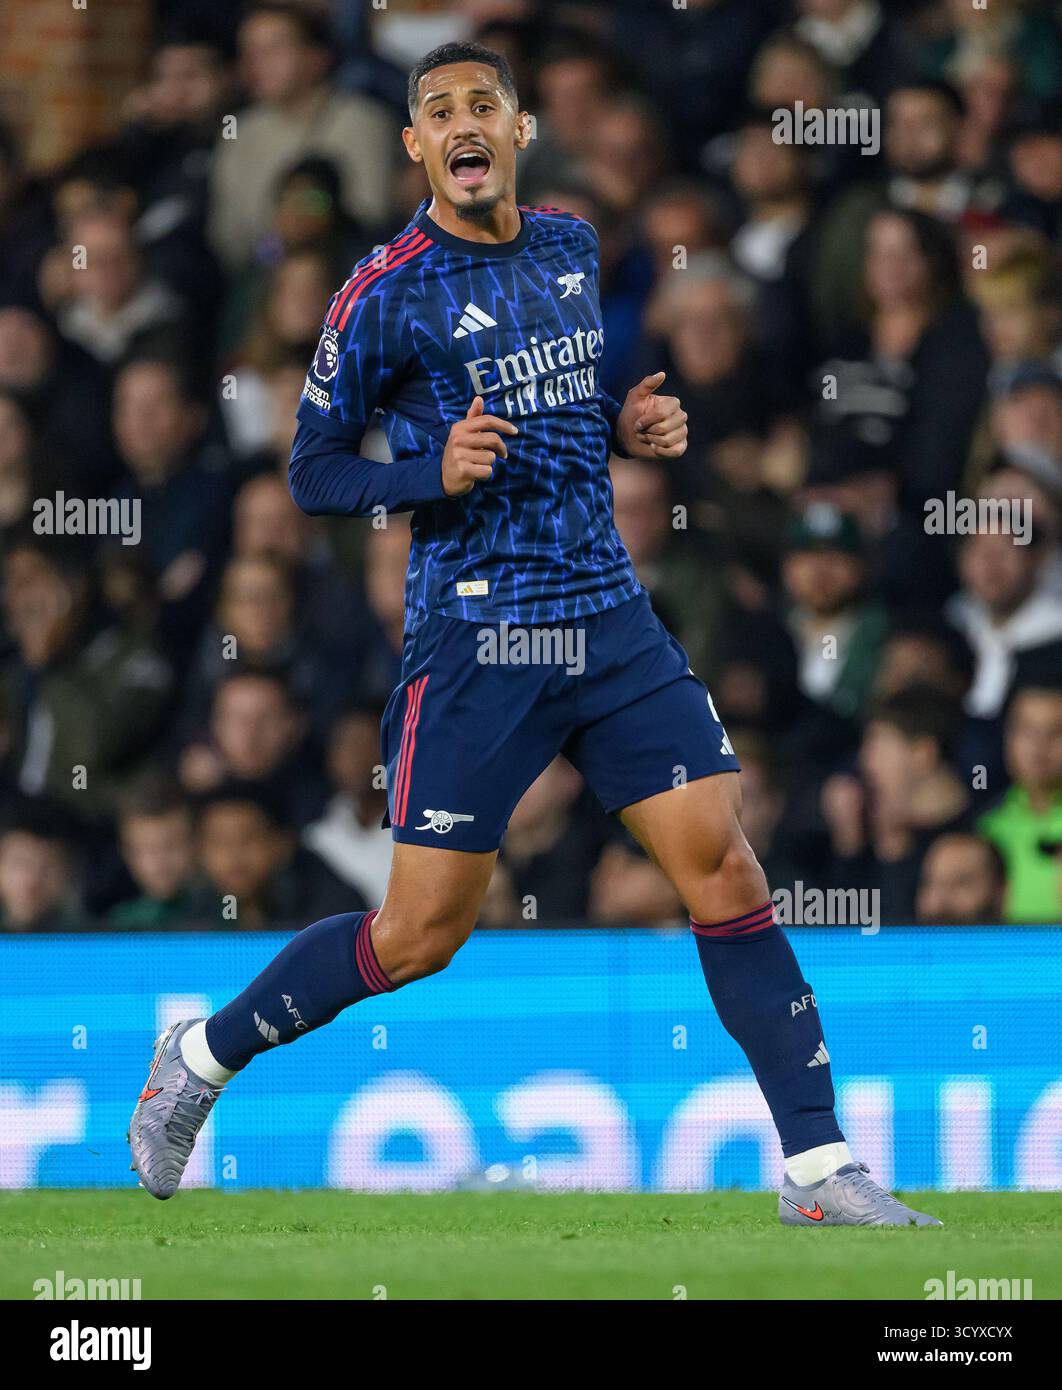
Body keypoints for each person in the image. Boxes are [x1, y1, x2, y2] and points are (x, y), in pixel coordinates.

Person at [128, 41, 939, 1227]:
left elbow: (556, 409)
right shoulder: (382, 290)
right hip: (476, 642)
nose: (462, 122)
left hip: (607, 617)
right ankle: (199, 1055)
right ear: (415, 147)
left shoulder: (567, 245)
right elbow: (307, 471)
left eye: (482, 105)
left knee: (722, 861)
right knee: (417, 935)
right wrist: (425, 473)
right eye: (437, 109)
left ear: (516, 131)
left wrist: (628, 423)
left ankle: (818, 1169)